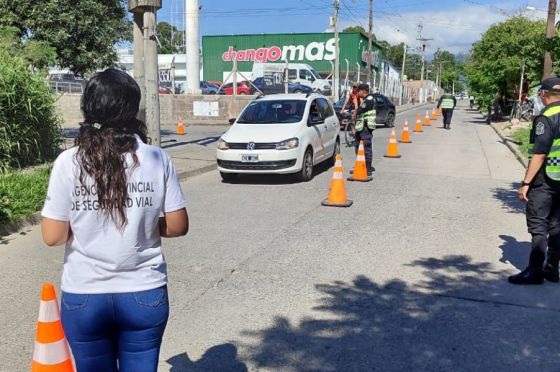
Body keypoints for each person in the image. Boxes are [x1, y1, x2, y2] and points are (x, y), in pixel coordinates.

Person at [41, 68, 189, 371]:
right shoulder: (157, 158)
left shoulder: (68, 163)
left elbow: (53, 236)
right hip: (144, 293)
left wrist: (85, 225)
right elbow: (177, 225)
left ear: (88, 106)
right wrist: (146, 226)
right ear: (132, 109)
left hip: (84, 296)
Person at [509, 77, 560, 285]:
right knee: (557, 224)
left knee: (539, 224)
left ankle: (535, 271)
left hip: (545, 178)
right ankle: (552, 269)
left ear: (543, 94)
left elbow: (539, 153)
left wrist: (526, 183)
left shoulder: (546, 117)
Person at [354, 84, 376, 176]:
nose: (357, 93)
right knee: (358, 146)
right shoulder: (367, 100)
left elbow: (360, 111)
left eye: (358, 91)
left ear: (363, 91)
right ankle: (361, 166)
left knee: (366, 148)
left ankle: (367, 168)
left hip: (365, 127)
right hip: (362, 127)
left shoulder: (368, 100)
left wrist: (355, 111)